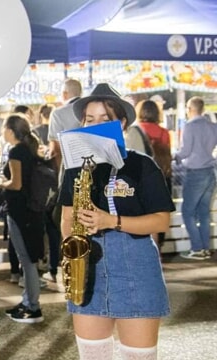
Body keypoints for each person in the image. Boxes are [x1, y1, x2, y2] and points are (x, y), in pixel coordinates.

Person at [58, 83, 175, 360]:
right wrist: (71, 257)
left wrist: (111, 221)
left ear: (121, 123)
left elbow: (161, 221)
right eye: (89, 119)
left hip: (136, 269)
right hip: (89, 270)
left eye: (105, 119)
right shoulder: (76, 167)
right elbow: (66, 217)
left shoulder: (142, 164)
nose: (96, 125)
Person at [0, 113, 46, 323]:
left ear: (11, 131)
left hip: (20, 211)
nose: (2, 132)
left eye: (4, 128)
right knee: (29, 258)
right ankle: (28, 302)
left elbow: (16, 183)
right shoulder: (28, 149)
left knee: (27, 260)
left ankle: (33, 306)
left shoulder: (16, 151)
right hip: (32, 211)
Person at [175, 96, 217, 260]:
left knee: (188, 212)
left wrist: (175, 156)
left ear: (190, 109)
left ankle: (197, 248)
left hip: (195, 172)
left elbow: (185, 151)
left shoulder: (190, 126)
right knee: (204, 212)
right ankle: (205, 248)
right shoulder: (212, 126)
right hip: (209, 171)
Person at [136, 100, 173, 253]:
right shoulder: (164, 132)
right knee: (159, 214)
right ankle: (157, 251)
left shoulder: (137, 130)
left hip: (141, 177)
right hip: (162, 176)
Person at [47, 78, 83, 172]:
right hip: (94, 163)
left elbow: (56, 147)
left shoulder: (58, 113)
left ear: (64, 94)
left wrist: (60, 173)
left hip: (70, 166)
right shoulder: (91, 108)